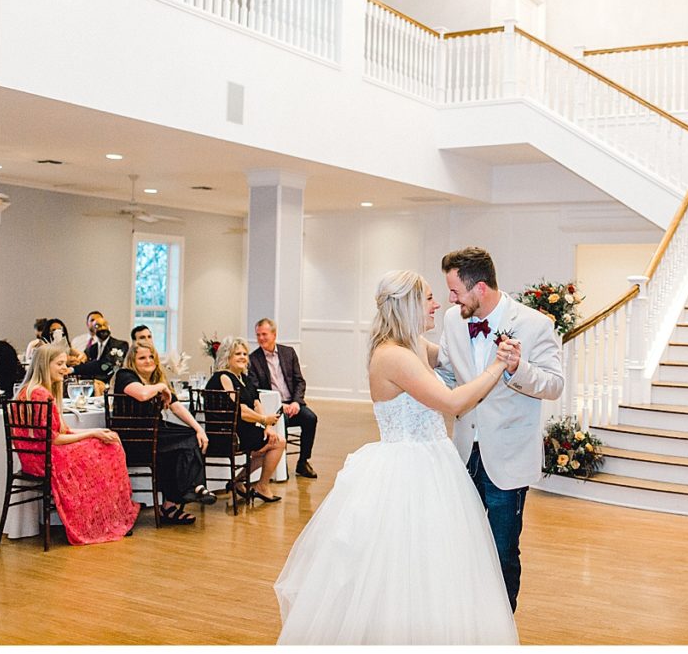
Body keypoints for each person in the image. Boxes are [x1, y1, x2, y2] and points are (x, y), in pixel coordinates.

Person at [275, 270, 518, 644]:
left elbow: (454, 361)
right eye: (429, 299)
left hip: (435, 465)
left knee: (438, 566)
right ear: (407, 305)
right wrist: (498, 366)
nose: (437, 304)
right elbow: (453, 402)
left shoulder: (416, 346)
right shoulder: (392, 356)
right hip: (408, 472)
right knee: (404, 566)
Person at [436, 247, 565, 613]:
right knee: (462, 545)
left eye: (455, 291)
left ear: (479, 288)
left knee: (503, 550)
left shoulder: (535, 324)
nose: (450, 299)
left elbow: (554, 384)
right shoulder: (452, 320)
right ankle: (466, 620)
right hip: (462, 452)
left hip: (506, 457)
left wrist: (517, 369)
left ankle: (501, 628)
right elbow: (447, 371)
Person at [13, 342, 139, 545]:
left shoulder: (31, 390)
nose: (65, 368)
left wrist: (95, 432)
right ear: (46, 365)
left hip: (36, 455)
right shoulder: (40, 394)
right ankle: (103, 519)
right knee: (109, 450)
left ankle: (106, 515)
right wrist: (94, 434)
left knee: (104, 443)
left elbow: (61, 432)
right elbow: (55, 438)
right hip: (46, 457)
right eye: (60, 364)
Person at [113, 341, 217, 525]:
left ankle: (173, 503)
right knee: (184, 442)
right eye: (142, 358)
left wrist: (200, 429)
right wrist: (161, 388)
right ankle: (192, 490)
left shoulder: (157, 379)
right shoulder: (125, 375)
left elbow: (176, 407)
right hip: (134, 438)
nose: (148, 361)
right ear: (132, 361)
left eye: (151, 356)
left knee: (191, 438)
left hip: (155, 434)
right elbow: (142, 394)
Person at [205, 338, 285, 503]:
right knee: (278, 443)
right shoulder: (223, 377)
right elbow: (240, 410)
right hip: (226, 434)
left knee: (272, 439)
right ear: (227, 357)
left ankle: (239, 481)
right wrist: (264, 420)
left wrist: (267, 426)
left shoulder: (243, 378)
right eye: (237, 354)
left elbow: (256, 403)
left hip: (242, 431)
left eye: (245, 354)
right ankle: (258, 485)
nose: (242, 357)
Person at [248, 318, 319, 479]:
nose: (261, 338)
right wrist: (280, 405)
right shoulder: (253, 359)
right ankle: (280, 465)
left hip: (293, 403)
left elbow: (299, 381)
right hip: (273, 407)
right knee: (283, 423)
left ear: (274, 334)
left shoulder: (288, 353)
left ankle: (303, 462)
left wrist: (296, 402)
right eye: (258, 335)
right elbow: (256, 390)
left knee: (311, 418)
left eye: (264, 334)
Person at [70, 317, 128, 382]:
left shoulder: (120, 345)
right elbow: (84, 365)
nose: (102, 328)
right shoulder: (90, 349)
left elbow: (104, 366)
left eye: (105, 325)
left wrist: (73, 369)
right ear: (93, 330)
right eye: (98, 326)